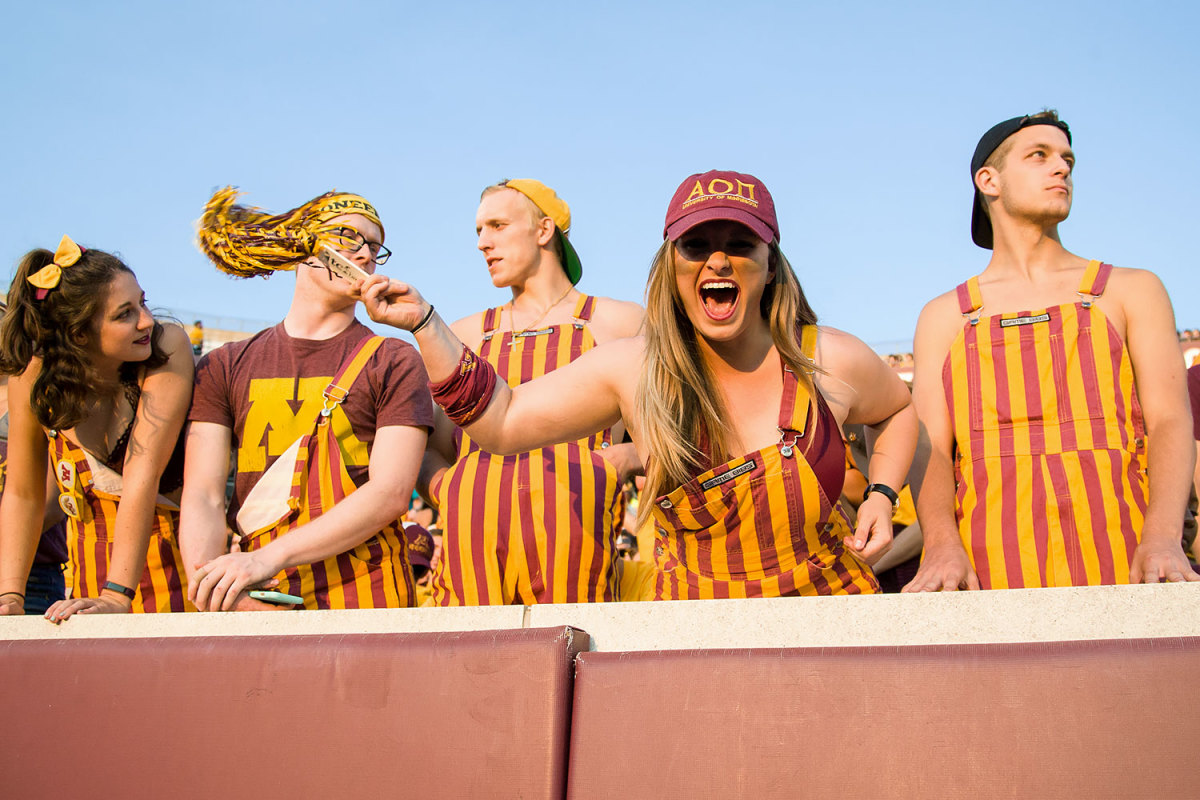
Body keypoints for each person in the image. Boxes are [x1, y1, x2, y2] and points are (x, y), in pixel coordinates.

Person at [362, 170, 916, 599]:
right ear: (669, 264)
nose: (717, 260)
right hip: (694, 645)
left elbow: (898, 411)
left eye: (740, 244)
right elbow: (502, 423)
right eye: (696, 246)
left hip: (830, 621)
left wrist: (882, 494)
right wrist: (424, 323)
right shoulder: (633, 367)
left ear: (770, 264)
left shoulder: (826, 357)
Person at [905, 111, 1197, 591]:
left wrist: (1164, 537)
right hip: (991, 571)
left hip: (1130, 561)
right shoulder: (946, 315)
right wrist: (939, 544)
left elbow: (1170, 420)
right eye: (1038, 156)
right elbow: (931, 446)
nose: (1061, 168)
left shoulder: (1129, 290)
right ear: (988, 180)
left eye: (1067, 159)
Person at [182, 189, 432, 611]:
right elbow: (203, 494)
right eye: (349, 236)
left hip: (365, 598)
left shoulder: (394, 358)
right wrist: (220, 594)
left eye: (374, 246)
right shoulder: (224, 363)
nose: (366, 254)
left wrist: (265, 558)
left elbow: (390, 491)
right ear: (303, 245)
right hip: (254, 598)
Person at [421, 180, 644, 605]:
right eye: (478, 231)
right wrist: (448, 489)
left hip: (579, 548)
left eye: (498, 225)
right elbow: (430, 441)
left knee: (568, 660)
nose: (483, 243)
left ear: (543, 231)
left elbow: (678, 426)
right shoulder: (463, 334)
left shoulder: (619, 322)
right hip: (470, 558)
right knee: (467, 666)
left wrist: (625, 460)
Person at [0, 237, 195, 619]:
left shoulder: (166, 346)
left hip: (182, 579)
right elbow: (24, 494)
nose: (147, 320)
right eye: (124, 314)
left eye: (143, 302)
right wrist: (9, 595)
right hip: (89, 585)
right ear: (78, 334)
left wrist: (117, 596)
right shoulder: (33, 377)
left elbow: (143, 472)